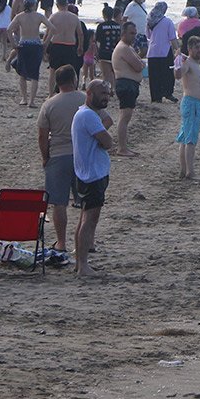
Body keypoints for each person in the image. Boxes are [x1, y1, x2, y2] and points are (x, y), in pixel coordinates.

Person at [38, 65, 86, 258]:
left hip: (58, 155)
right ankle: (85, 241)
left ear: (57, 83)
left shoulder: (49, 104)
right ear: (74, 79)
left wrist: (45, 157)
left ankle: (61, 242)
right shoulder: (84, 99)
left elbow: (42, 136)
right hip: (81, 155)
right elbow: (105, 121)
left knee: (59, 203)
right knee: (85, 203)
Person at [72, 80, 116, 278]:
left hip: (88, 172)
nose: (106, 97)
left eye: (107, 93)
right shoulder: (88, 115)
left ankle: (79, 263)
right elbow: (107, 142)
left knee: (85, 218)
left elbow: (107, 124)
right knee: (89, 220)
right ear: (89, 93)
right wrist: (105, 139)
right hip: (92, 174)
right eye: (102, 93)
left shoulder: (86, 113)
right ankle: (83, 265)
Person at [175, 36, 200, 179]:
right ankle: (190, 171)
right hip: (191, 103)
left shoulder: (195, 63)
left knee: (185, 137)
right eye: (197, 48)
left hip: (195, 104)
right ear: (190, 49)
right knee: (190, 139)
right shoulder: (187, 62)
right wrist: (177, 61)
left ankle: (184, 170)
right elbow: (178, 74)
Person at [8, 0, 48, 107]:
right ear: (34, 5)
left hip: (24, 44)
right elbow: (52, 28)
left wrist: (13, 44)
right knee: (35, 74)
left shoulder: (20, 16)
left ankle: (24, 99)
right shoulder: (39, 16)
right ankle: (32, 101)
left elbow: (9, 29)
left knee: (22, 73)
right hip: (35, 45)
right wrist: (45, 42)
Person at [111, 21, 145, 156]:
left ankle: (123, 146)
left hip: (129, 84)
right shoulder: (124, 48)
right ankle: (122, 148)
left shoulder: (128, 48)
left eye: (135, 33)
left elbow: (140, 62)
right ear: (123, 33)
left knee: (125, 117)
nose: (134, 36)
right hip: (126, 84)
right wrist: (140, 64)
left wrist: (140, 63)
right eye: (131, 33)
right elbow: (138, 66)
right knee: (125, 117)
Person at [146, 1, 180, 103]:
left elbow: (148, 36)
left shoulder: (149, 21)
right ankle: (168, 92)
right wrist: (177, 50)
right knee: (167, 74)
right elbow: (172, 38)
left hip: (152, 51)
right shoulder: (167, 21)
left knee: (154, 75)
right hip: (164, 50)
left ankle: (156, 96)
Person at [47, 2, 85, 85]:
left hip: (56, 44)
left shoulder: (54, 16)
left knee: (53, 70)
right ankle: (70, 89)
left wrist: (45, 46)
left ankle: (51, 91)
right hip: (69, 45)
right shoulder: (74, 17)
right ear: (66, 5)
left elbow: (48, 32)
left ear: (57, 5)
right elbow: (80, 34)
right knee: (70, 70)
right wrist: (80, 46)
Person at [95, 3, 122, 83]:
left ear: (103, 15)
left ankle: (108, 89)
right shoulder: (118, 26)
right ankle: (114, 88)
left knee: (106, 75)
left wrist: (97, 52)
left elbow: (97, 41)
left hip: (104, 52)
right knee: (114, 74)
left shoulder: (101, 26)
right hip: (116, 52)